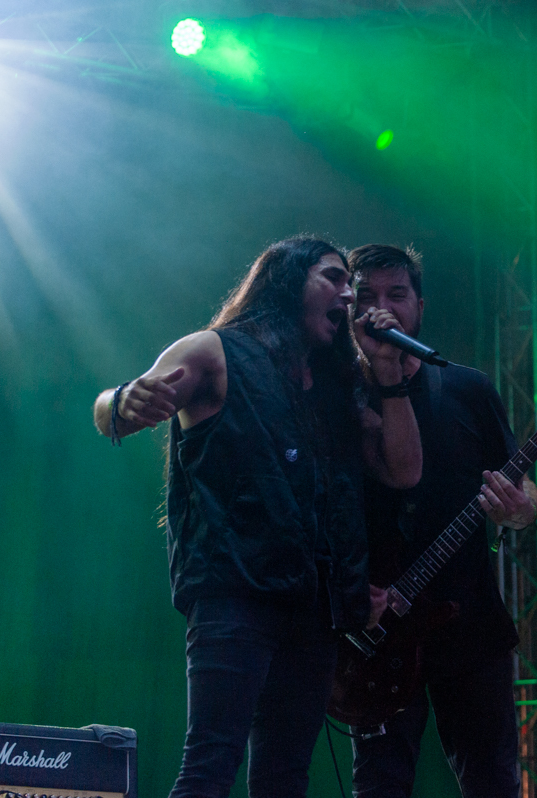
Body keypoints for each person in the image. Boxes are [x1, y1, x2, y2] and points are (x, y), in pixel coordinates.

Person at [91, 236, 422, 798]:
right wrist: (120, 401)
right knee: (210, 763)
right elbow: (111, 413)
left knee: (285, 777)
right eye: (333, 278)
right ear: (287, 281)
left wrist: (388, 370)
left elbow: (403, 471)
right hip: (235, 592)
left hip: (314, 610)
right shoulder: (215, 351)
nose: (349, 295)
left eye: (351, 285)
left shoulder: (337, 385)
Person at [346, 244, 537, 798]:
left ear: (420, 306)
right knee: (380, 784)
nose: (381, 308)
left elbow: (526, 492)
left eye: (397, 294)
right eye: (366, 296)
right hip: (378, 632)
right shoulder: (338, 398)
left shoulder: (467, 388)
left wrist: (519, 508)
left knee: (493, 781)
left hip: (470, 626)